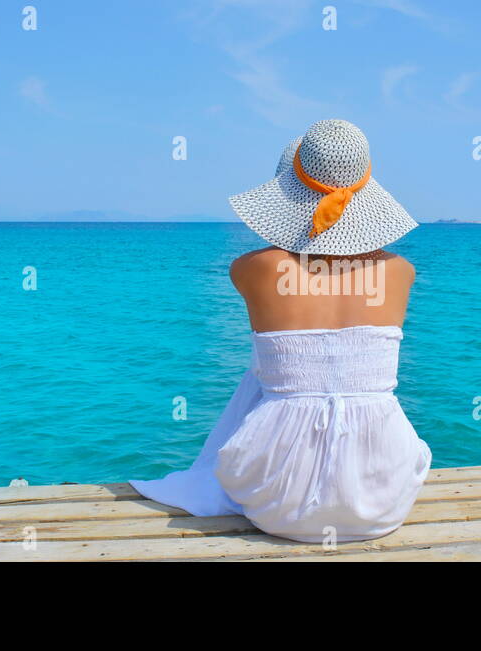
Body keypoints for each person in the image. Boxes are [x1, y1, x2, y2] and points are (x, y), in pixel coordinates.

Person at [130, 119, 431, 543]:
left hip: (277, 501)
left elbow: (299, 261)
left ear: (289, 197)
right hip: (382, 498)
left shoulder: (253, 269)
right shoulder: (401, 272)